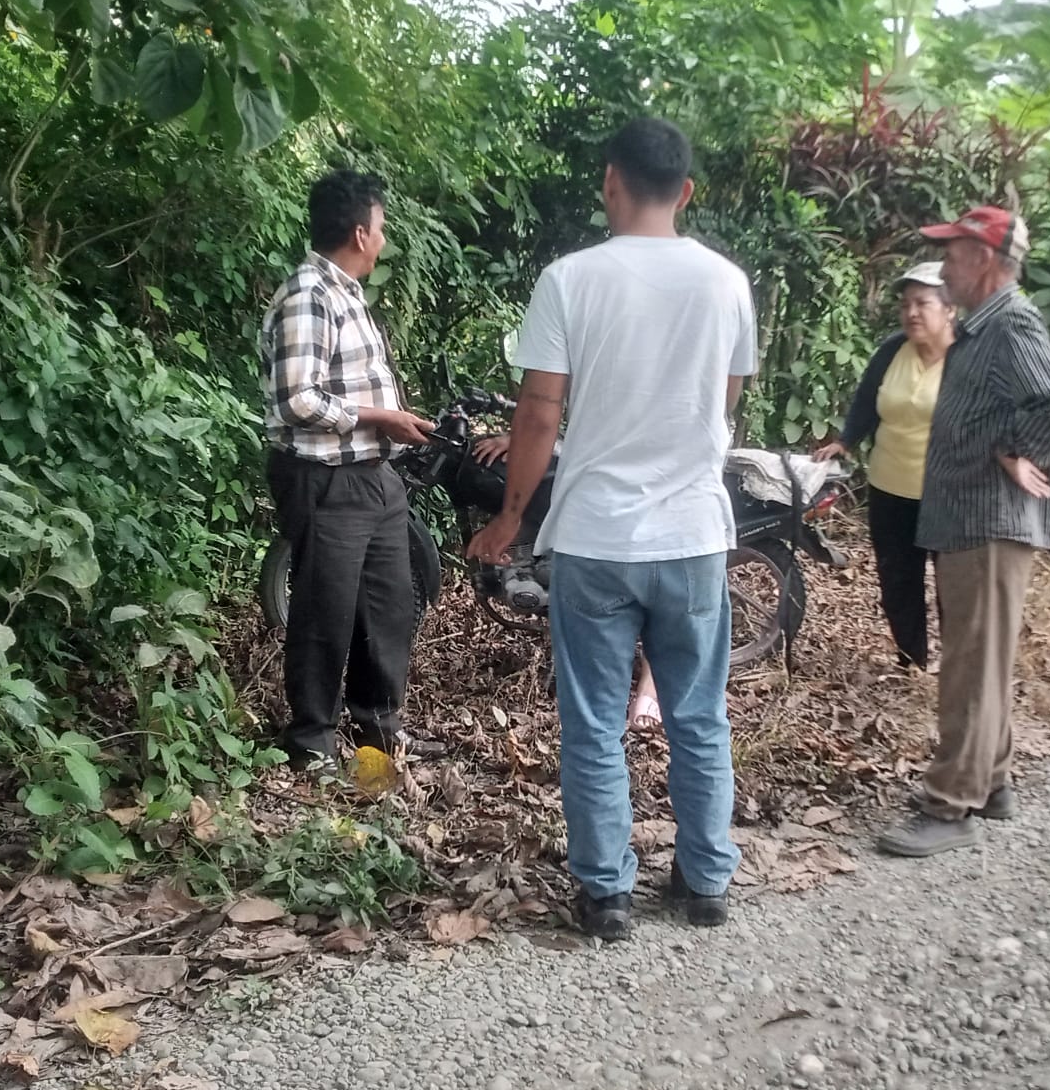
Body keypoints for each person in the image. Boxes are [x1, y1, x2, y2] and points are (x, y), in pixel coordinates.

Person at [466, 117, 758, 940]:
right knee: (698, 714)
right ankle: (705, 881)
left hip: (595, 539)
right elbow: (725, 399)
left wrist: (511, 517)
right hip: (692, 535)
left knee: (594, 721)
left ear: (610, 182)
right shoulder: (727, 283)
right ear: (686, 191)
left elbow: (538, 413)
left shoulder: (569, 280)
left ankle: (606, 897)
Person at [876, 206, 1050, 859]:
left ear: (985, 261)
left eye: (952, 256)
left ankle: (949, 805)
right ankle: (991, 781)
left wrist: (1014, 447)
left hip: (988, 521)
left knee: (969, 667)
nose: (944, 269)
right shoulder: (984, 326)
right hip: (972, 521)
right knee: (982, 657)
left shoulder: (1009, 324)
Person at [260, 170, 436, 768]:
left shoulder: (345, 293)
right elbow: (296, 400)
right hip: (325, 477)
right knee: (325, 611)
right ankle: (311, 742)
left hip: (372, 476)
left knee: (387, 606)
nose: (383, 240)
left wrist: (390, 426)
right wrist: (380, 417)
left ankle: (378, 734)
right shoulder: (308, 295)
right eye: (381, 228)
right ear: (361, 233)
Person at [814, 260, 956, 671]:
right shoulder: (893, 349)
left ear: (950, 308)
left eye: (922, 303)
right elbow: (867, 399)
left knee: (953, 585)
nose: (911, 313)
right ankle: (911, 662)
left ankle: (957, 667)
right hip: (890, 486)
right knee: (897, 580)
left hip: (948, 493)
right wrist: (845, 440)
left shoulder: (969, 356)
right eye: (905, 304)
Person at [474, 432, 665, 732]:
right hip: (600, 483)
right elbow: (564, 423)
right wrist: (524, 439)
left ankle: (649, 689)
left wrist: (528, 438)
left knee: (652, 587)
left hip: (655, 485)